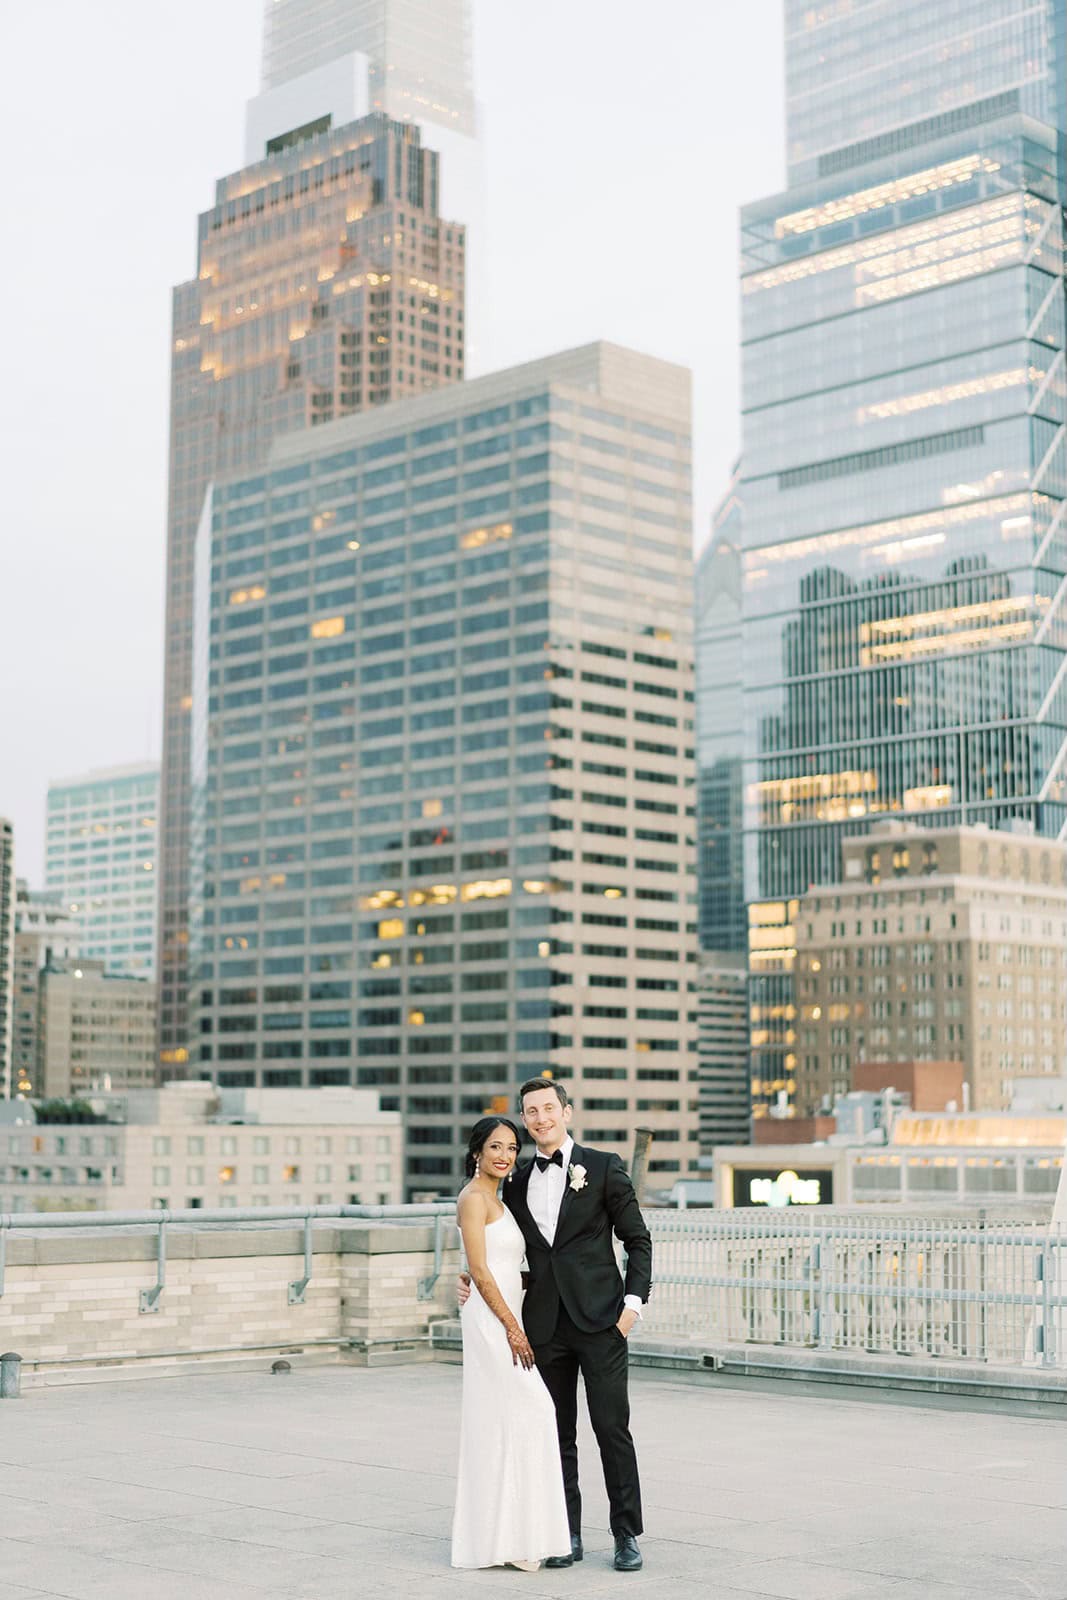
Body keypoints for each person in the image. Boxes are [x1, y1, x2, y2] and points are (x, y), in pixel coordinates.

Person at [460, 1078, 652, 1573]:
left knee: (612, 1429)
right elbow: (511, 1253)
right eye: (531, 1112)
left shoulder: (606, 1167)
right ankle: (564, 1531)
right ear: (525, 1119)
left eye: (548, 1108)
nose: (540, 1118)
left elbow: (638, 1242)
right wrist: (472, 1281)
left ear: (566, 1112)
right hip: (542, 1326)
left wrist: (631, 1309)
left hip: (602, 1323)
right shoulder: (517, 1181)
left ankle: (626, 1533)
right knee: (554, 1431)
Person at [450, 1116, 571, 1571]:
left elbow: (500, 1267)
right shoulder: (473, 1199)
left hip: (504, 1315)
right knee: (531, 1411)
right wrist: (512, 1328)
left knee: (512, 1420)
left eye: (511, 1148)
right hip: (492, 1322)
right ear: (477, 1151)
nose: (504, 1155)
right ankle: (504, 1538)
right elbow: (480, 1271)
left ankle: (515, 1536)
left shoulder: (497, 1197)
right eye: (496, 1147)